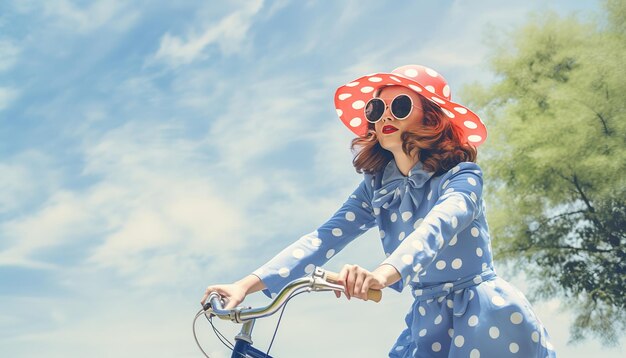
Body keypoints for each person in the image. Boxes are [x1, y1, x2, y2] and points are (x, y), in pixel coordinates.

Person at [201, 64, 556, 357]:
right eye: (376, 109)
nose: (385, 115)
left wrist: (381, 275)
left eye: (399, 105)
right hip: (426, 319)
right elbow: (323, 238)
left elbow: (436, 228)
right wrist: (244, 285)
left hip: (483, 316)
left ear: (431, 118)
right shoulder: (377, 186)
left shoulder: (462, 178)